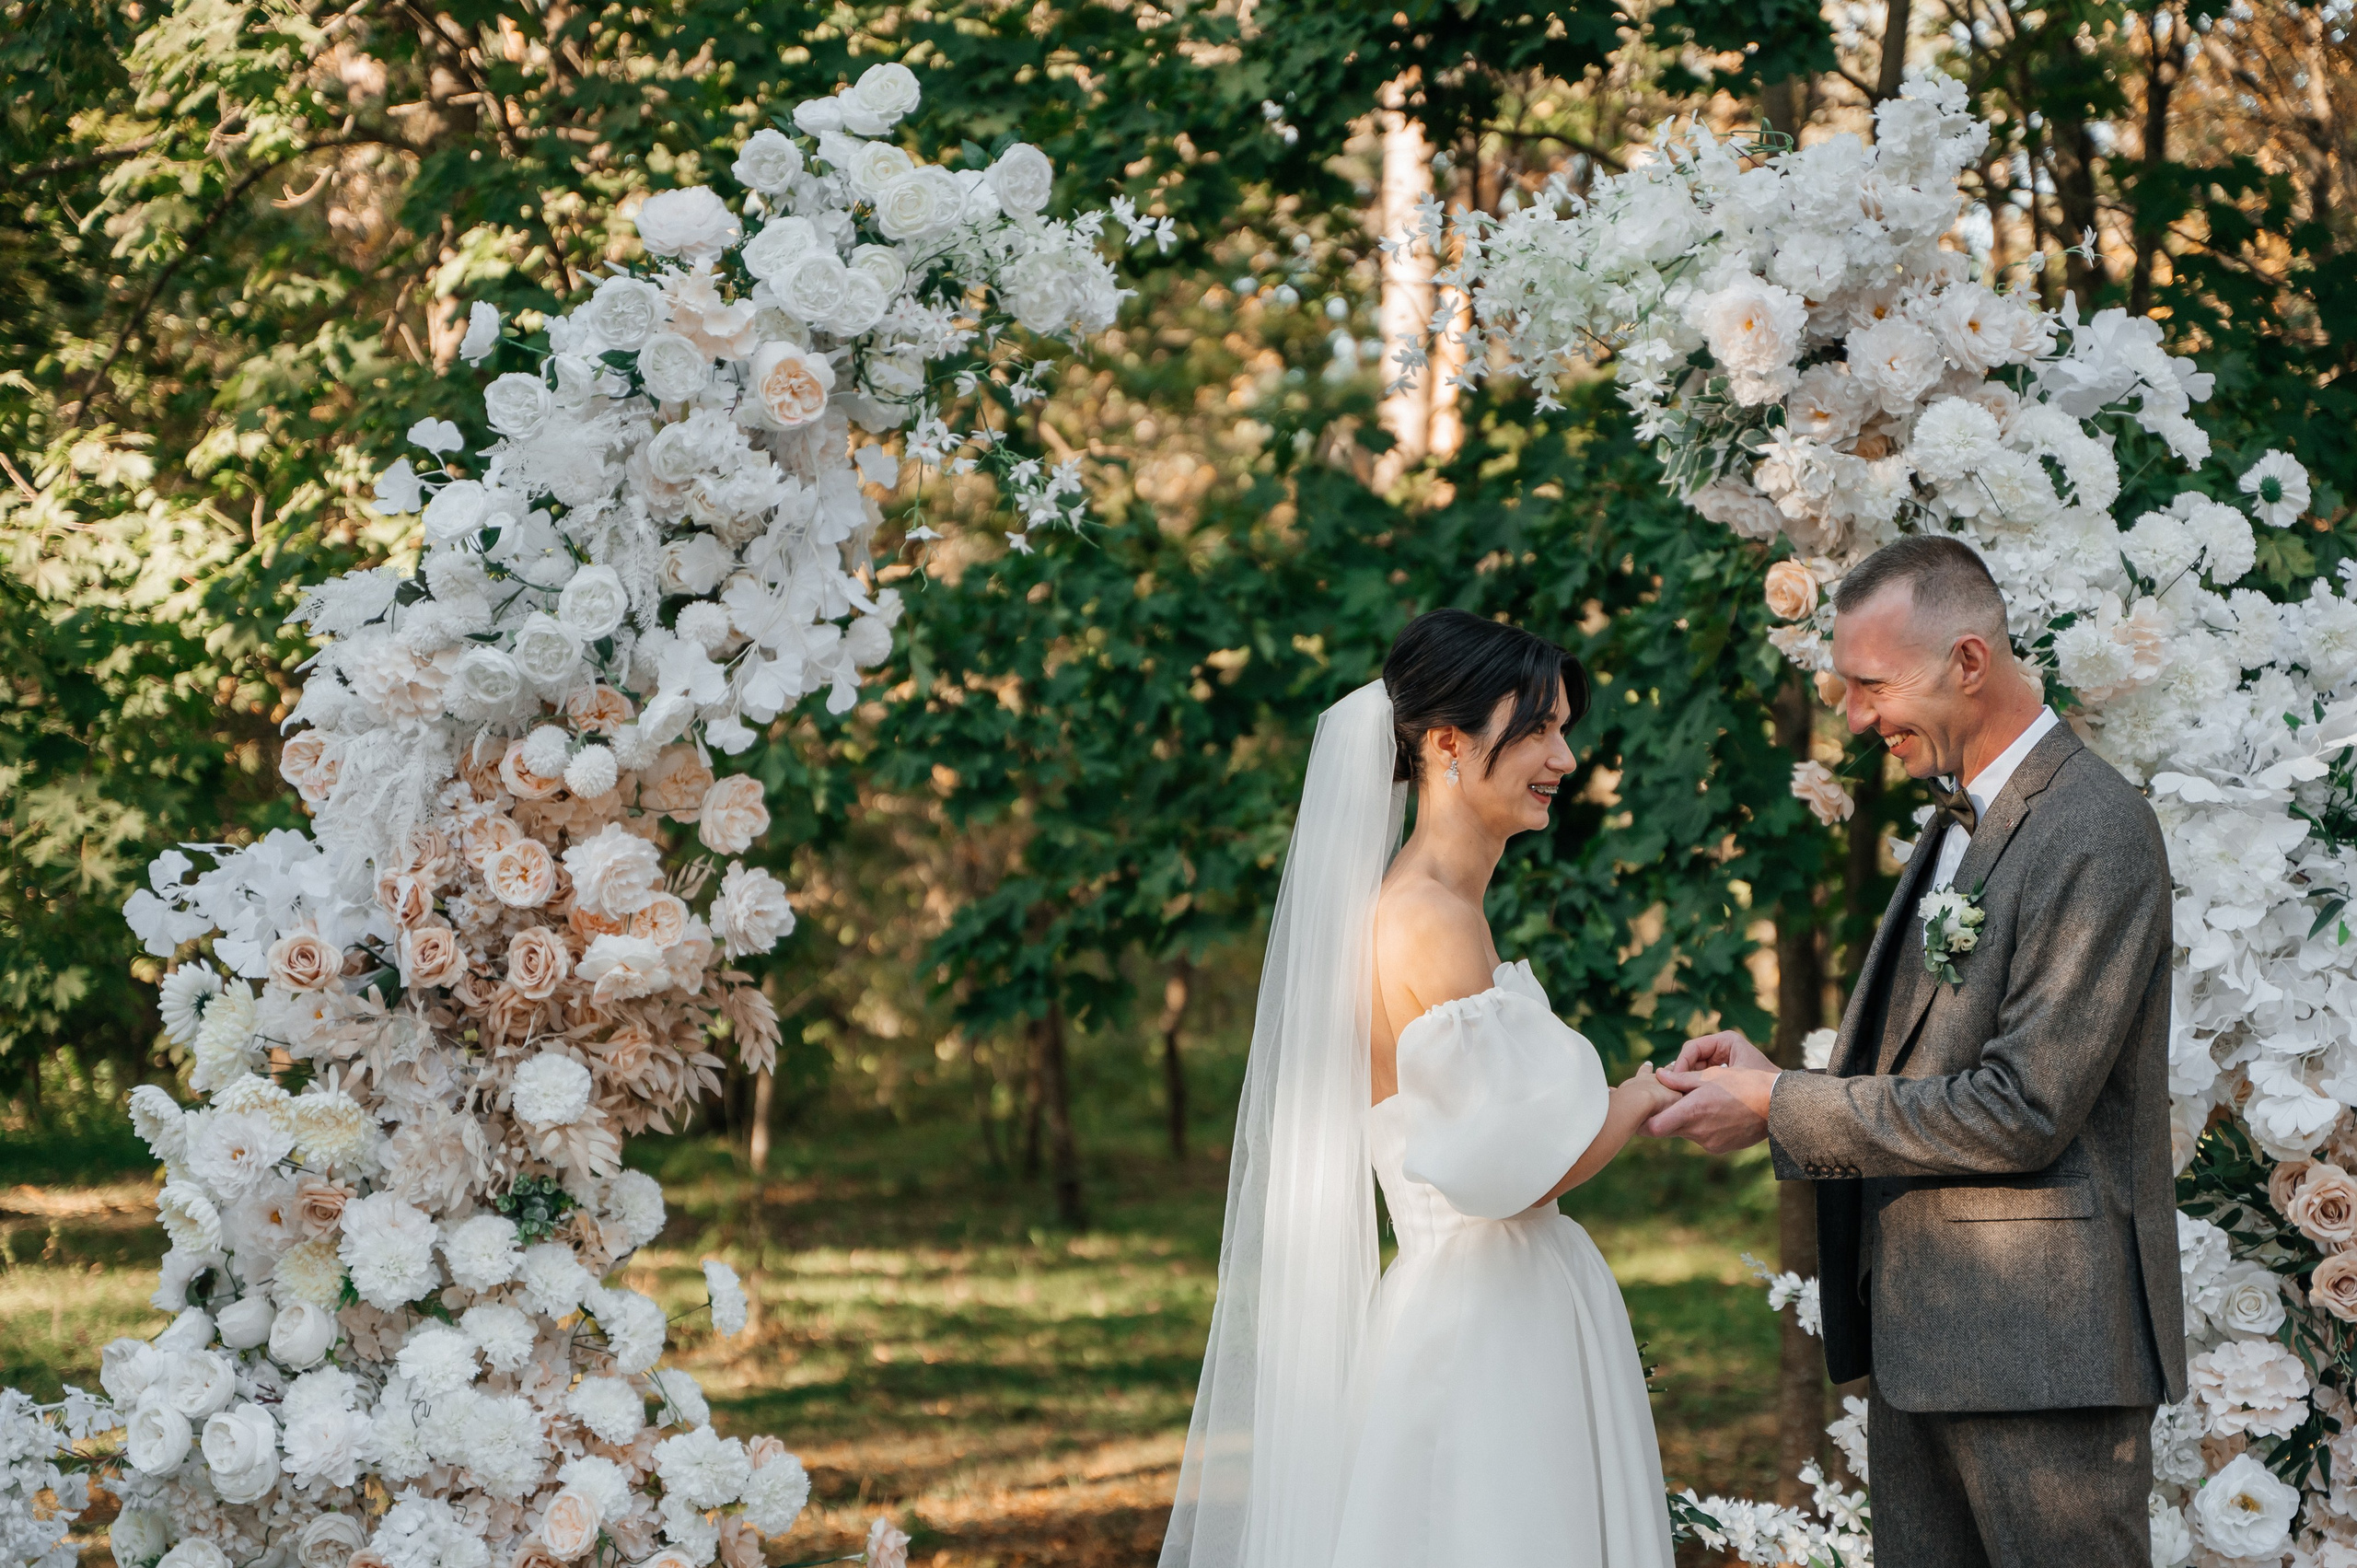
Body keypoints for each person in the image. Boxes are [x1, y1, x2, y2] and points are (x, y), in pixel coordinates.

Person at [1647, 536, 2186, 1568]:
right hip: (1929, 1337)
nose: (1853, 719)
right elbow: (1933, 1058)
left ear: (1969, 662)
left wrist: (1782, 1103)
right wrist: (1776, 1078)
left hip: (2041, 1353)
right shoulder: (1962, 821)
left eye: (1870, 686)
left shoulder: (2093, 829)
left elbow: (2021, 1107)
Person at [1159, 608, 1680, 1568]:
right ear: (1448, 742)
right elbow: (1513, 1172)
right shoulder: (1425, 920)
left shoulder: (1447, 908)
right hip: (1485, 1322)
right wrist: (1643, 1093)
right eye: (1536, 729)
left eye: (1562, 727)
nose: (1563, 756)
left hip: (1508, 1302)